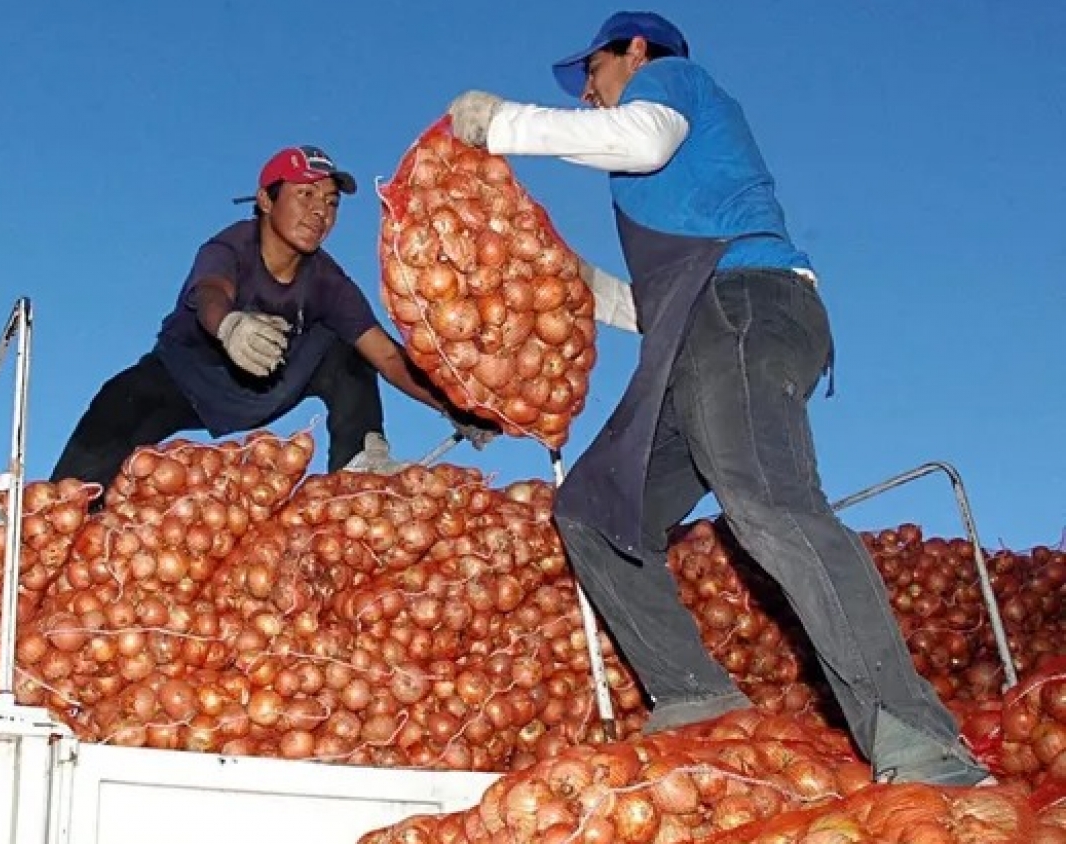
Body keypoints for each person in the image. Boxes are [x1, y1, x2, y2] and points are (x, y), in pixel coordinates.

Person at [446, 12, 991, 786]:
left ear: (634, 51)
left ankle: (917, 738)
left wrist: (504, 123)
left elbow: (640, 141)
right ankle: (699, 700)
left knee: (767, 500)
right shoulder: (678, 188)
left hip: (744, 310)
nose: (591, 92)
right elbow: (655, 304)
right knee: (599, 514)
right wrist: (581, 288)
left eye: (594, 71)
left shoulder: (673, 80)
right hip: (701, 331)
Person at [49, 144, 495, 491]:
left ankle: (358, 465)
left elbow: (387, 356)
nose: (320, 212)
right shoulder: (229, 247)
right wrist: (229, 326)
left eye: (331, 202)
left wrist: (454, 404)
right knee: (117, 401)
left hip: (272, 384)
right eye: (305, 195)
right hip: (187, 383)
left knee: (347, 347)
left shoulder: (327, 280)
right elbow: (210, 292)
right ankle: (59, 512)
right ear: (266, 198)